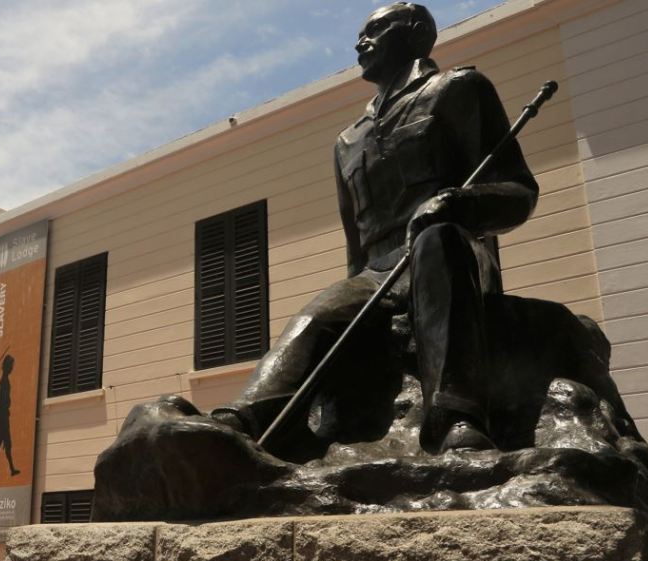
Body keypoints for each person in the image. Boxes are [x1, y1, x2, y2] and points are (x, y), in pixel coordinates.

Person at [212, 2, 538, 453]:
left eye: (377, 29)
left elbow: (520, 193)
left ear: (415, 33)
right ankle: (242, 423)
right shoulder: (348, 141)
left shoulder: (458, 89)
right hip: (378, 277)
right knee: (318, 313)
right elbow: (356, 249)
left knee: (436, 240)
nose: (359, 42)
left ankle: (456, 417)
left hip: (453, 254)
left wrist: (458, 203)